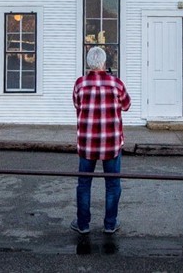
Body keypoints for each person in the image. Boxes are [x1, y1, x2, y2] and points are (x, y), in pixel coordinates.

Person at [71, 46, 131, 235]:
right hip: (111, 143)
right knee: (112, 184)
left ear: (88, 64)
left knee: (84, 184)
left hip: (87, 143)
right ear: (104, 63)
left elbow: (76, 104)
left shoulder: (80, 84)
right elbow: (127, 105)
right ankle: (110, 224)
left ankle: (83, 224)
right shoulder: (116, 84)